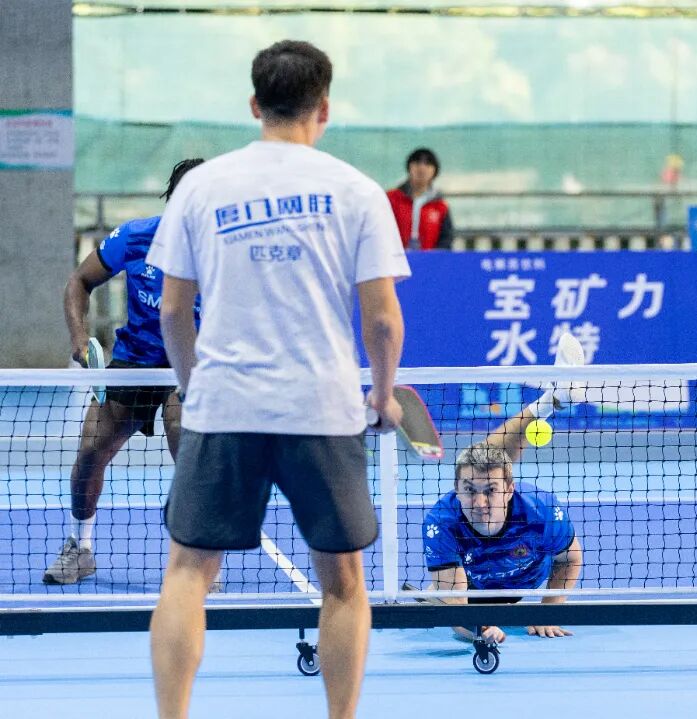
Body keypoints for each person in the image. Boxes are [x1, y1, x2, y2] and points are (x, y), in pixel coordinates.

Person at [146, 40, 409, 719]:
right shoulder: (358, 191)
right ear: (325, 108)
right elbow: (382, 320)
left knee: (187, 572)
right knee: (343, 581)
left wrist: (195, 387)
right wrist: (383, 396)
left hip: (223, 408)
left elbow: (172, 310)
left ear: (254, 104)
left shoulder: (200, 187)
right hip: (322, 410)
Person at [44, 158, 204, 585]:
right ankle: (80, 547)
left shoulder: (226, 250)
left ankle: (195, 555)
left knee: (184, 437)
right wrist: (80, 337)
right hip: (135, 361)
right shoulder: (135, 237)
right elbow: (79, 282)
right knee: (90, 450)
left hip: (190, 365)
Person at [422, 386, 583, 643]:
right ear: (456, 489)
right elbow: (458, 615)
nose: (480, 503)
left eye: (491, 491)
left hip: (524, 580)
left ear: (510, 490)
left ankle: (545, 403)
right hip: (473, 585)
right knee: (481, 465)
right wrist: (480, 630)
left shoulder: (541, 511)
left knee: (487, 463)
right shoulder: (442, 523)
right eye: (469, 490)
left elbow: (569, 559)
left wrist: (547, 612)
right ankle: (440, 589)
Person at [386, 147, 453, 250]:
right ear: (409, 167)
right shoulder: (391, 198)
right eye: (417, 162)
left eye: (428, 164)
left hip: (430, 259)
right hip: (395, 257)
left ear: (435, 171)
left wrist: (432, 256)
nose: (422, 168)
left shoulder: (440, 206)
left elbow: (446, 240)